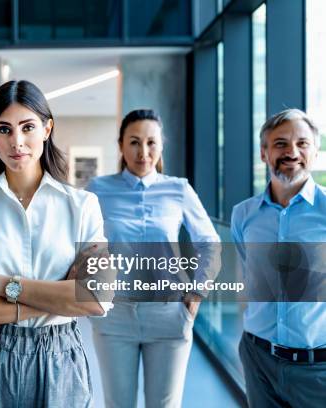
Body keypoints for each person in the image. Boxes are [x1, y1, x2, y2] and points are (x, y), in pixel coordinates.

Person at [0, 80, 112, 407]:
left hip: (60, 358)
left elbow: (96, 299)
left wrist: (5, 285)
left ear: (47, 129)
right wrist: (60, 297)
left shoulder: (82, 205)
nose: (16, 141)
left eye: (28, 127)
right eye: (4, 129)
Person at [86, 109, 220, 408]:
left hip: (168, 313)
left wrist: (197, 292)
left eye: (151, 143)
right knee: (118, 403)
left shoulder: (179, 188)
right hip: (114, 316)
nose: (143, 152)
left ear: (161, 146)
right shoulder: (97, 190)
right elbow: (79, 246)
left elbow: (210, 242)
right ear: (120, 145)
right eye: (134, 142)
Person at [231, 109, 326, 408]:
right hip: (258, 359)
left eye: (302, 143)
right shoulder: (243, 214)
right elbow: (248, 276)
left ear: (315, 151)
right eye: (281, 143)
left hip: (318, 368)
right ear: (264, 153)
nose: (292, 152)